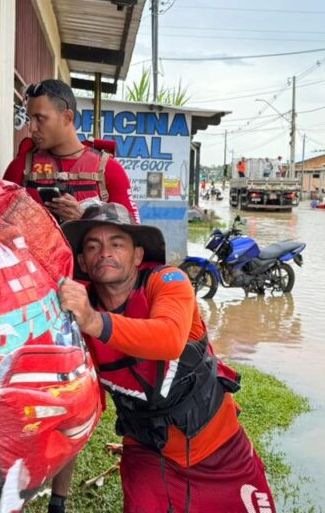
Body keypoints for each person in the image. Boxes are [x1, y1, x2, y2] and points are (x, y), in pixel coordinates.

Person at [51, 204, 276, 513]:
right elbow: (76, 409)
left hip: (219, 447)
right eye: (93, 246)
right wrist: (56, 500)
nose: (105, 252)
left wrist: (93, 321)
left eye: (117, 243)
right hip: (147, 452)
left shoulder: (168, 281)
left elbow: (169, 339)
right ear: (82, 263)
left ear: (138, 256)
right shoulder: (74, 314)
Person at [3, 79, 139, 223]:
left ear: (67, 117)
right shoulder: (20, 168)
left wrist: (85, 219)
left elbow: (131, 234)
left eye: (40, 118)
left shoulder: (109, 170)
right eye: (30, 119)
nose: (32, 128)